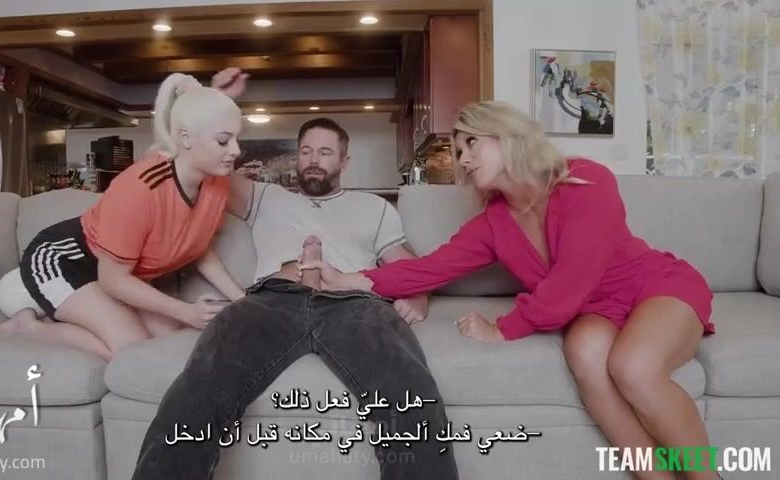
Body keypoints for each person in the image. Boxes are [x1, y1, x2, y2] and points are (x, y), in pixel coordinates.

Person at [302, 101, 719, 480]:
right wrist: (342, 279)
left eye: (471, 144)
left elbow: (569, 285)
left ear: (506, 135)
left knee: (632, 367)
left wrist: (504, 327)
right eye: (458, 151)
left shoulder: (585, 180)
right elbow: (428, 269)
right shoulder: (494, 222)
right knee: (585, 353)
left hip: (655, 287)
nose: (464, 159)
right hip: (595, 309)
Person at [132, 70, 458, 479]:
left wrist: (419, 295)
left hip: (353, 304)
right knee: (202, 379)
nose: (314, 160)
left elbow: (408, 265)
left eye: (325, 152)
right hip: (271, 301)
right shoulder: (264, 196)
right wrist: (205, 101)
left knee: (407, 389)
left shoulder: (375, 208)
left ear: (344, 161)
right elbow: (189, 158)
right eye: (306, 151)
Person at [0, 71, 247, 361]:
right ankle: (27, 328)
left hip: (119, 270)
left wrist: (243, 300)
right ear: (186, 138)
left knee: (167, 337)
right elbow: (113, 280)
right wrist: (185, 311)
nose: (235, 151)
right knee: (132, 349)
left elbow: (197, 246)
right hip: (64, 259)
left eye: (237, 139)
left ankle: (80, 315)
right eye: (224, 141)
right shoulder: (141, 187)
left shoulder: (216, 182)